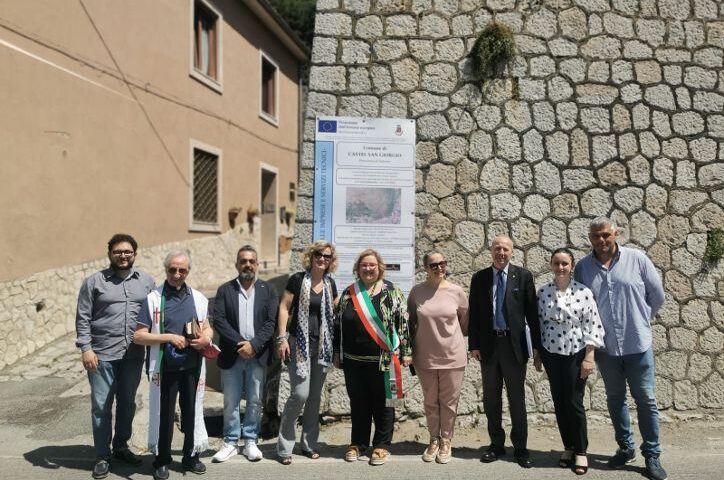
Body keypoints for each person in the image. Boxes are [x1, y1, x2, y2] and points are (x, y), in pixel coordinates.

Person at [574, 217, 667, 480]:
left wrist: (641, 320)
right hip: (606, 349)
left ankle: (652, 455)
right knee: (615, 400)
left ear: (616, 234)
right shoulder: (583, 268)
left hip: (638, 344)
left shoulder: (637, 259)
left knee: (646, 401)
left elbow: (657, 295)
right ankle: (626, 447)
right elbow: (582, 305)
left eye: (606, 235)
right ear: (590, 238)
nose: (601, 240)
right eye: (596, 236)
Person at [75, 233, 155, 479]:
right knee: (101, 406)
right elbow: (83, 318)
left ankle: (120, 446)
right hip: (101, 355)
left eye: (127, 252)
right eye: (118, 252)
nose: (123, 256)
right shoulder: (94, 282)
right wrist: (86, 348)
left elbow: (156, 315)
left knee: (128, 403)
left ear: (134, 254)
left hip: (133, 354)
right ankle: (102, 456)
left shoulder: (146, 281)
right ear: (109, 253)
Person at [134, 250, 213, 480]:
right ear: (165, 269)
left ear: (188, 271)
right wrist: (168, 337)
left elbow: (207, 326)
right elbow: (139, 336)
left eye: (182, 270)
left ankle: (190, 456)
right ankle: (162, 459)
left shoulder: (198, 298)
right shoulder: (153, 299)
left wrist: (206, 337)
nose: (177, 274)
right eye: (172, 269)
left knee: (191, 413)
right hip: (164, 369)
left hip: (192, 366)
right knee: (165, 416)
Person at [468, 234, 540, 468]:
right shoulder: (479, 278)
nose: (501, 253)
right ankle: (496, 444)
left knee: (517, 399)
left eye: (505, 249)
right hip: (489, 347)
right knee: (491, 399)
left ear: (512, 251)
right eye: (497, 248)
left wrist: (537, 348)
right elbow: (476, 314)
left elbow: (532, 315)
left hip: (514, 347)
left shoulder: (524, 276)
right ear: (491, 250)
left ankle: (520, 447)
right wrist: (474, 345)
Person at [335, 248, 411, 466]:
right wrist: (337, 354)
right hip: (353, 361)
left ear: (380, 268)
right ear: (358, 269)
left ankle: (382, 445)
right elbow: (338, 325)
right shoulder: (349, 293)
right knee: (358, 403)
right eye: (364, 265)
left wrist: (406, 352)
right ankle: (358, 443)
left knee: (385, 403)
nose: (368, 269)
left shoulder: (392, 292)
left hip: (383, 360)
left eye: (372, 265)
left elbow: (402, 323)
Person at [534, 248, 605, 475]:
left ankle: (581, 451)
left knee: (574, 402)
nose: (561, 267)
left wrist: (589, 356)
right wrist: (537, 354)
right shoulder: (543, 292)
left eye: (565, 263)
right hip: (551, 353)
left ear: (572, 266)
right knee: (559, 401)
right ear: (551, 265)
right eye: (557, 263)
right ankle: (568, 446)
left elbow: (592, 324)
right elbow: (538, 324)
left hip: (576, 353)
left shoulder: (583, 292)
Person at [212, 245, 278, 463]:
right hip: (233, 355)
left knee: (255, 400)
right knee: (230, 401)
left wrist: (254, 345)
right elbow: (219, 321)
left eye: (251, 261)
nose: (247, 264)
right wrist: (242, 344)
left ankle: (250, 440)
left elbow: (271, 322)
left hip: (257, 355)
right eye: (243, 261)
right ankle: (230, 441)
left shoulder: (268, 290)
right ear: (237, 264)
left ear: (257, 265)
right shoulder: (225, 290)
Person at [275, 241, 339, 464]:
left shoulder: (331, 285)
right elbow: (284, 307)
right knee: (299, 394)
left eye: (327, 256)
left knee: (314, 398)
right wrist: (282, 337)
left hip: (321, 347)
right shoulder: (297, 280)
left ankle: (309, 444)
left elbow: (334, 316)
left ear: (331, 261)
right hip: (298, 344)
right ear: (311, 257)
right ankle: (284, 447)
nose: (322, 258)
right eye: (319, 254)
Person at [408, 251, 468, 464]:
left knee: (449, 402)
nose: (439, 268)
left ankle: (446, 440)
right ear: (425, 268)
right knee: (431, 401)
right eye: (434, 265)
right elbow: (412, 323)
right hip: (425, 356)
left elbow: (465, 324)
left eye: (442, 263)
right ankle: (433, 439)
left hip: (453, 355)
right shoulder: (416, 292)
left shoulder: (457, 292)